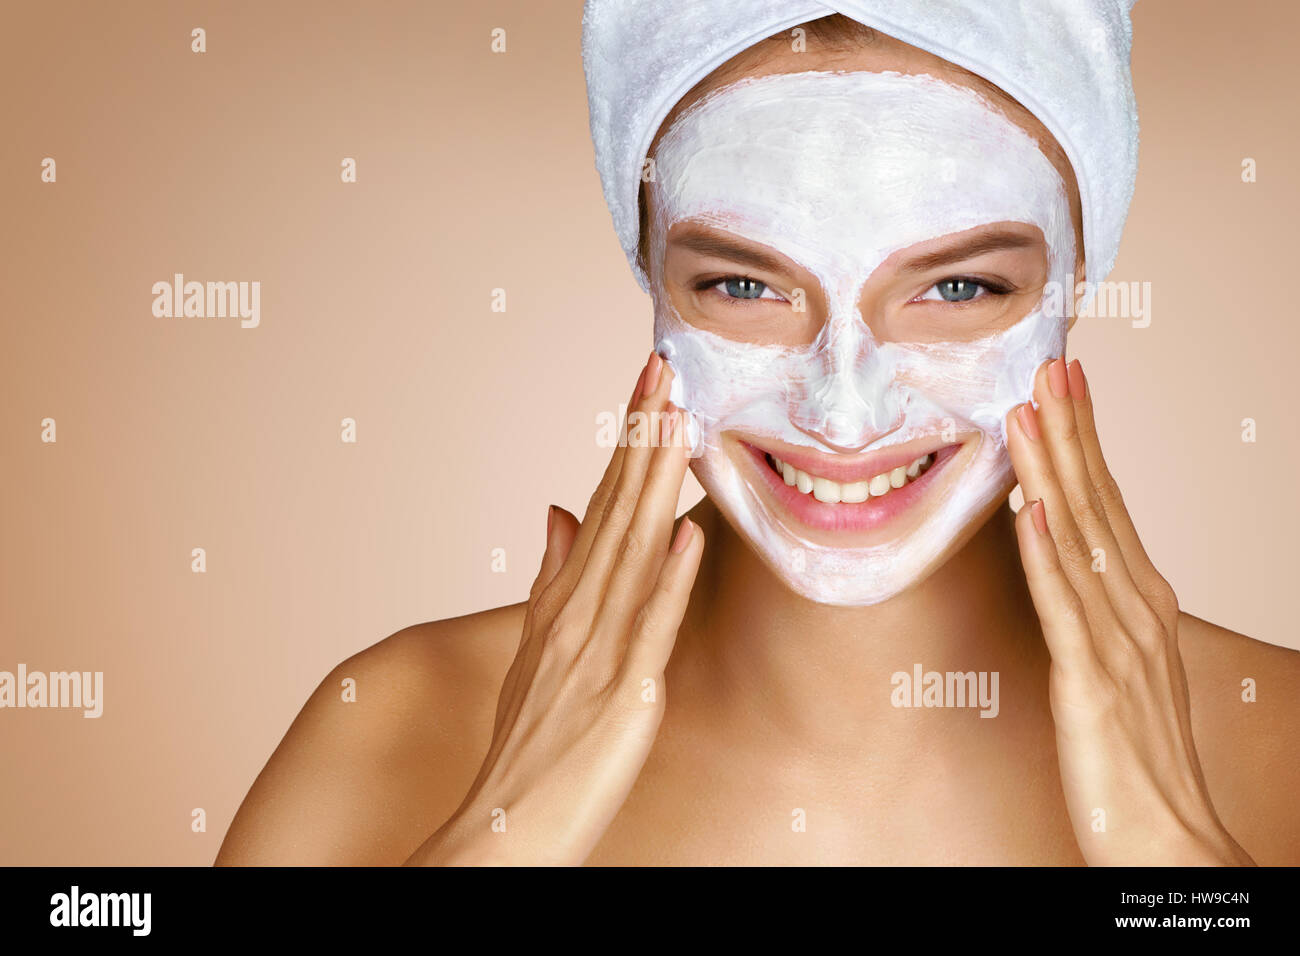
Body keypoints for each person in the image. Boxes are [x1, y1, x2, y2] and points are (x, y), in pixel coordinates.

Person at [216, 10, 1300, 866]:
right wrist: (503, 834)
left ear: (1072, 284)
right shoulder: (398, 723)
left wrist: (1177, 865)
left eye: (958, 286)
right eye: (743, 285)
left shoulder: (1277, 743)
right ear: (652, 282)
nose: (842, 410)